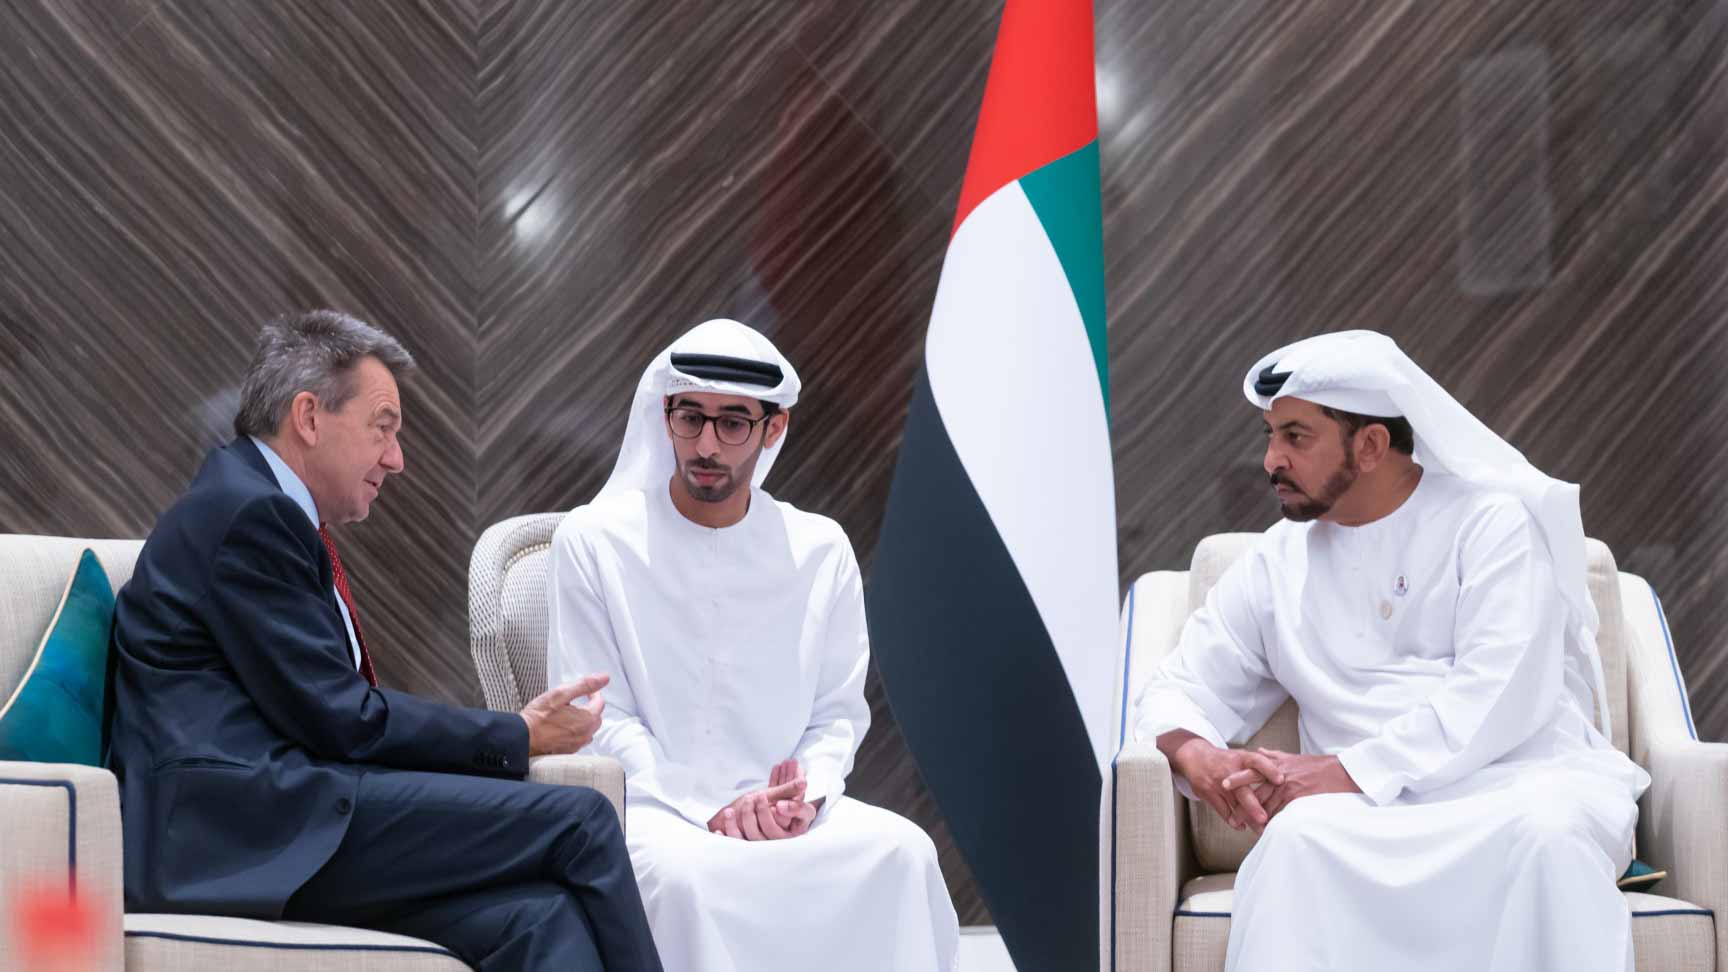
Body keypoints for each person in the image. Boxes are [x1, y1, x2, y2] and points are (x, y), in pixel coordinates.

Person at [108, 309, 663, 971]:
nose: (397, 460)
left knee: (537, 919)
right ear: (310, 417)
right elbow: (343, 719)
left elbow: (330, 716)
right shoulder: (249, 514)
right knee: (583, 821)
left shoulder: (255, 503)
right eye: (384, 429)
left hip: (283, 816)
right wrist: (516, 735)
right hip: (240, 833)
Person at [1133, 330, 1649, 971]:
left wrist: (1335, 772)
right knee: (1296, 840)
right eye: (1269, 435)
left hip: (1513, 787)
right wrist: (1198, 754)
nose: (1270, 460)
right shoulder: (1275, 562)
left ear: (1371, 445)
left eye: (1295, 437)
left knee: (1550, 838)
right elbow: (1178, 686)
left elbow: (1499, 695)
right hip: (1357, 816)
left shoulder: (1490, 524)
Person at [545, 318, 959, 971]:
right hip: (653, 810)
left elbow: (836, 717)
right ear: (666, 416)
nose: (706, 444)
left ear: (774, 429)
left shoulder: (819, 550)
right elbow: (599, 721)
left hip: (787, 813)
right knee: (685, 881)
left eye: (733, 422)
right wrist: (710, 807)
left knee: (903, 853)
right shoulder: (592, 541)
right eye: (691, 418)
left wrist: (805, 796)